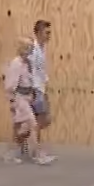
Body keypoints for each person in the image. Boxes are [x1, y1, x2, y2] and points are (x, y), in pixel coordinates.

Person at [4, 37, 50, 165]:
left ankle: (10, 152)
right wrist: (12, 101)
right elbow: (10, 85)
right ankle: (38, 154)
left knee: (22, 129)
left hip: (27, 97)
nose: (31, 49)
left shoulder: (27, 63)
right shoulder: (16, 63)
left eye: (32, 46)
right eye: (29, 46)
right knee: (33, 124)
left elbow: (30, 80)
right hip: (19, 98)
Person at [26, 20, 57, 163]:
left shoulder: (42, 49)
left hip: (41, 88)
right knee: (39, 120)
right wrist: (31, 90)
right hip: (35, 89)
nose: (49, 35)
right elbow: (29, 70)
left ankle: (32, 147)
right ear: (38, 33)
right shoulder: (33, 49)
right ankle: (36, 151)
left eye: (50, 33)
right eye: (47, 33)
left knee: (44, 120)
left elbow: (41, 71)